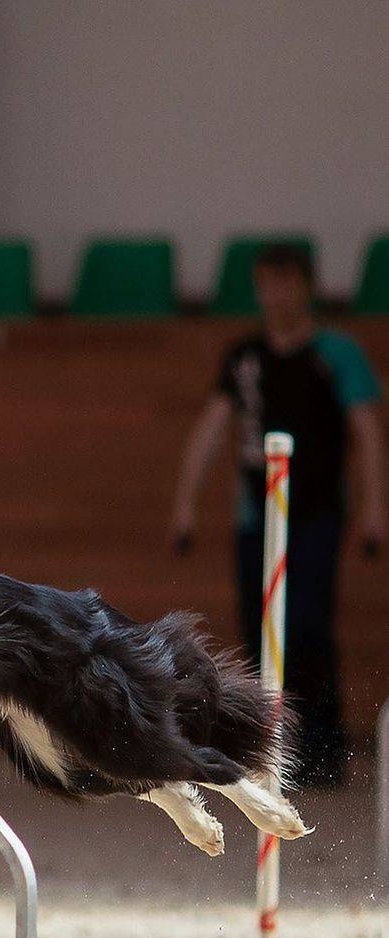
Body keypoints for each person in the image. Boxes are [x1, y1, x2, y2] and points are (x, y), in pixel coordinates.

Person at [170, 242, 384, 785]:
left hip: (316, 513)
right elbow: (212, 428)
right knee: (258, 629)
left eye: (287, 282)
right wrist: (185, 505)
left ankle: (322, 749)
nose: (276, 294)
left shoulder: (336, 354)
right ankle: (269, 746)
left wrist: (374, 507)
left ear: (307, 287)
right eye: (267, 283)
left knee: (308, 625)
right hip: (254, 517)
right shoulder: (245, 356)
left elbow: (366, 429)